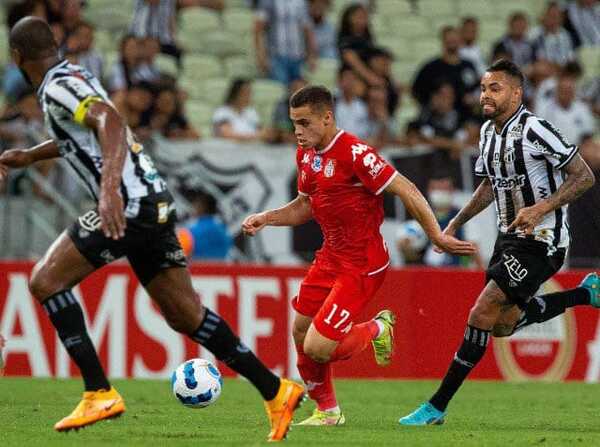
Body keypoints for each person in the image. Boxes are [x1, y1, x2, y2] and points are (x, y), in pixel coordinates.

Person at [0, 17, 304, 442]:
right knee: (186, 314)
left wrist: (108, 192)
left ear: (17, 58)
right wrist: (29, 156)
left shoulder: (56, 86)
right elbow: (86, 135)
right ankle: (276, 391)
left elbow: (108, 121)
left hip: (130, 204)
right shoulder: (73, 77)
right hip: (154, 201)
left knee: (45, 280)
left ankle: (98, 391)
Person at [242, 85, 475, 426]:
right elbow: (305, 205)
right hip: (330, 257)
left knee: (317, 347)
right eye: (294, 123)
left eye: (305, 123)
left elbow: (406, 188)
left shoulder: (355, 153)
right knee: (299, 332)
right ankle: (328, 412)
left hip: (362, 263)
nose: (298, 131)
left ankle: (378, 328)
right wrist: (267, 218)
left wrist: (436, 234)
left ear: (327, 118)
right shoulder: (306, 154)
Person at [399, 59, 597, 426]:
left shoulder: (537, 130)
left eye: (495, 88)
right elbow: (489, 186)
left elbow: (583, 176)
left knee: (481, 311)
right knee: (503, 325)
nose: (485, 95)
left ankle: (436, 407)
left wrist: (542, 208)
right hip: (509, 240)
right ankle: (586, 295)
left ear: (516, 93)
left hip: (543, 240)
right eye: (483, 88)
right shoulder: (488, 134)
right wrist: (454, 224)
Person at [412, 26, 479, 121]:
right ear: (443, 41)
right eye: (449, 39)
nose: (452, 42)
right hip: (436, 120)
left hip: (464, 119)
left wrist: (473, 99)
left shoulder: (468, 66)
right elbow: (416, 91)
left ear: (460, 40)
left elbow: (477, 89)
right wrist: (431, 103)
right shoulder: (431, 67)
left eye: (454, 39)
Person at [254, 0, 318, 85]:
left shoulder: (301, 2)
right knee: (280, 90)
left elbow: (308, 30)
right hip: (276, 57)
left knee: (299, 93)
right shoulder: (268, 2)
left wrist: (311, 55)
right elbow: (258, 30)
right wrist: (261, 56)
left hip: (298, 57)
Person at [178, 189, 232, 260]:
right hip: (219, 270)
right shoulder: (225, 232)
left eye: (196, 205)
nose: (193, 208)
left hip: (195, 269)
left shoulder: (190, 233)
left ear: (202, 207)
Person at [212, 78, 265, 142]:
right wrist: (256, 136)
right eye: (245, 92)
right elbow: (227, 134)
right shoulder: (222, 112)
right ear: (235, 94)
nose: (248, 96)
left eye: (249, 92)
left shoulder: (252, 112)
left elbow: (261, 131)